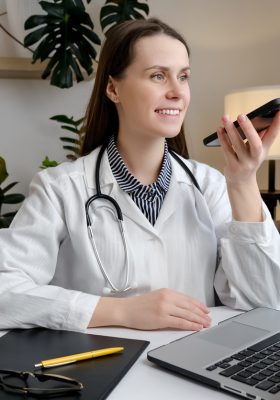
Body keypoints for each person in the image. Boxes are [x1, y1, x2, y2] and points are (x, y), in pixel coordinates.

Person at [0, 18, 280, 333]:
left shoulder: (211, 185)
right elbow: (4, 290)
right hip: (101, 372)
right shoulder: (61, 189)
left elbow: (265, 304)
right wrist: (120, 311)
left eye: (184, 76)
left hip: (193, 370)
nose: (178, 92)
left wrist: (243, 182)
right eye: (158, 76)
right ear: (113, 88)